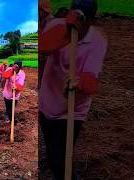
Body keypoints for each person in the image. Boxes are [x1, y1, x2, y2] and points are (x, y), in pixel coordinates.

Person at [39, 0, 107, 179]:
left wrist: (79, 83)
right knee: (54, 153)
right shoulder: (57, 27)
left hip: (72, 111)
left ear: (92, 20)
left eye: (83, 18)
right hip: (46, 104)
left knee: (58, 162)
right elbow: (42, 48)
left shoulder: (97, 42)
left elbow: (91, 79)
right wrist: (67, 33)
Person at [2, 60, 25, 125]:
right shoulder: (9, 69)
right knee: (8, 109)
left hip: (15, 95)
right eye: (14, 66)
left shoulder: (22, 74)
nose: (15, 69)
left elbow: (21, 85)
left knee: (11, 109)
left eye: (17, 67)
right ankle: (11, 120)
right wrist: (12, 70)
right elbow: (4, 76)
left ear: (20, 68)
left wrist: (16, 87)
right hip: (7, 92)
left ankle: (14, 122)